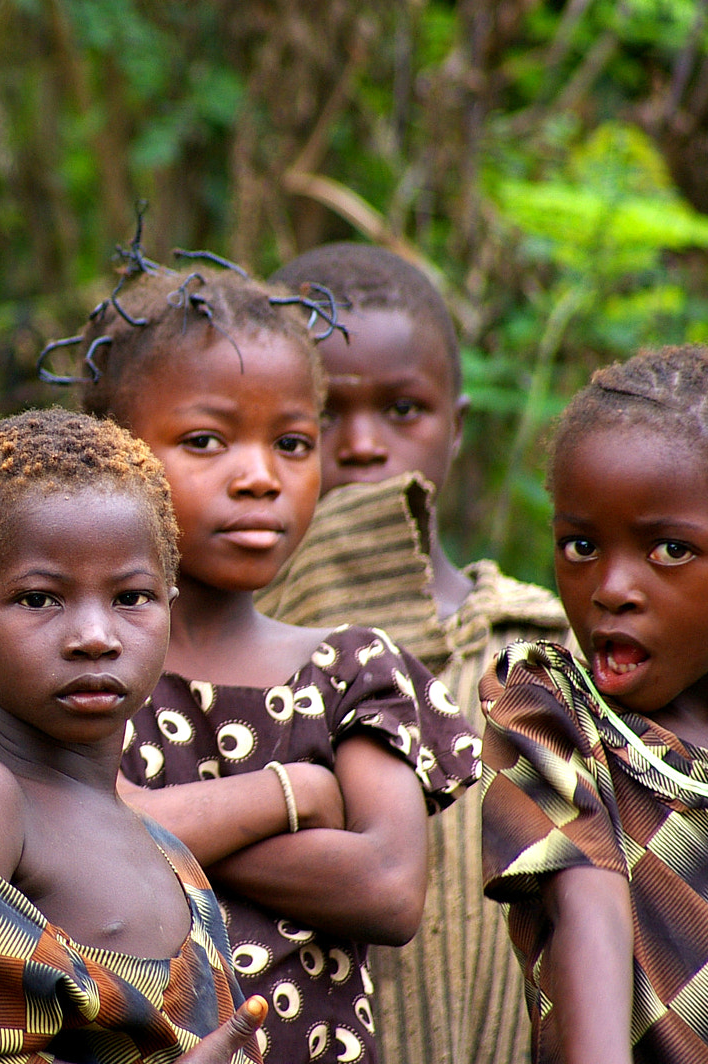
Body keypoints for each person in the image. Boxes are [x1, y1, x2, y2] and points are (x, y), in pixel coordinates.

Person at [0, 251, 479, 1063]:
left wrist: (154, 816)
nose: (257, 477)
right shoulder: (29, 669)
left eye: (292, 442)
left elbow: (386, 889)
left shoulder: (356, 671)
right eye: (207, 439)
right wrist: (293, 793)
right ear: (117, 451)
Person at [0, 409, 268, 1064]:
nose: (95, 636)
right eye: (40, 599)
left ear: (168, 608)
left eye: (131, 597)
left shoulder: (172, 859)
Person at [258, 242, 568, 1064]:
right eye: (321, 415)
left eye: (403, 410)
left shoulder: (540, 648)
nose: (360, 444)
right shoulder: (220, 656)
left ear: (456, 427)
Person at [481, 345, 708, 1064]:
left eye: (669, 550)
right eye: (580, 545)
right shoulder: (553, 721)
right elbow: (590, 925)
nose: (610, 587)